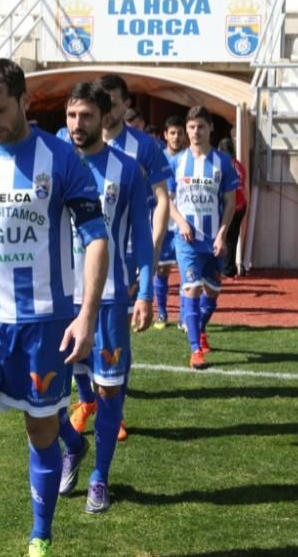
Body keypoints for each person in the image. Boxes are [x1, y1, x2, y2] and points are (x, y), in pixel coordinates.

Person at [0, 58, 109, 557]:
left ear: (25, 102)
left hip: (43, 321)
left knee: (41, 431)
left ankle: (40, 535)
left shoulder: (61, 159)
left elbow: (95, 238)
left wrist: (87, 314)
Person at [56, 82, 152, 515]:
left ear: (104, 117)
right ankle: (74, 444)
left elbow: (143, 238)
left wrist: (146, 290)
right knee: (42, 394)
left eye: (87, 116)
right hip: (57, 299)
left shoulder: (126, 170)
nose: (78, 124)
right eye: (72, 116)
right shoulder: (52, 164)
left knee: (110, 394)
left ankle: (100, 477)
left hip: (110, 300)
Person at [69, 73, 171, 439]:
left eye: (109, 102)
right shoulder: (64, 150)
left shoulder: (141, 149)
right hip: (70, 274)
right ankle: (87, 401)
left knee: (113, 348)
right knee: (74, 351)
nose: (104, 108)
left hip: (122, 259)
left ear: (122, 105)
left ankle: (114, 407)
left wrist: (150, 262)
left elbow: (159, 200)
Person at [167, 106, 237, 369]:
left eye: (201, 127)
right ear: (187, 129)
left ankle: (200, 327)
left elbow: (230, 203)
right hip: (186, 239)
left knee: (213, 293)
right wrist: (180, 221)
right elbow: (167, 200)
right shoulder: (176, 162)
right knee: (192, 288)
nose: (196, 132)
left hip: (214, 239)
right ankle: (196, 351)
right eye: (192, 127)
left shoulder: (223, 163)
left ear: (210, 129)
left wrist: (222, 234)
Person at [153, 115, 187, 328]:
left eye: (179, 133)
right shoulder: (157, 159)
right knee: (162, 269)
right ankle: (163, 314)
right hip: (163, 222)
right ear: (165, 135)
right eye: (172, 133)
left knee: (186, 271)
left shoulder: (188, 159)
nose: (176, 137)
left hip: (183, 222)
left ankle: (184, 316)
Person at [217, 137, 248, 278]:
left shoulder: (222, 165)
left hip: (228, 205)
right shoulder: (240, 165)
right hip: (241, 205)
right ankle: (230, 268)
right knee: (233, 237)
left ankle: (224, 269)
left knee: (222, 236)